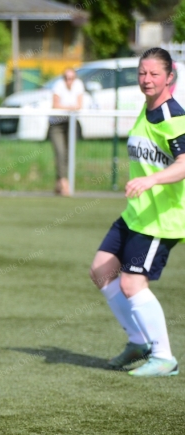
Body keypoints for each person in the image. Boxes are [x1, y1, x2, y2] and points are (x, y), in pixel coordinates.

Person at [89, 47, 185, 377]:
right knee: (102, 270)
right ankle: (138, 341)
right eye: (142, 73)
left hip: (162, 217)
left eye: (154, 74)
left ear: (170, 77)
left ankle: (164, 357)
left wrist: (152, 180)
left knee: (132, 283)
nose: (146, 79)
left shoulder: (173, 117)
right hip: (136, 213)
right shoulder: (147, 109)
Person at [49, 68, 84, 196]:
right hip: (57, 125)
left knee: (69, 154)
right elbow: (55, 105)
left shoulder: (79, 85)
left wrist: (70, 108)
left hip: (71, 123)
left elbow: (80, 105)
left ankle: (60, 182)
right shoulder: (58, 86)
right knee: (60, 153)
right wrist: (70, 108)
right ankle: (64, 183)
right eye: (66, 78)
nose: (68, 81)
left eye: (71, 78)